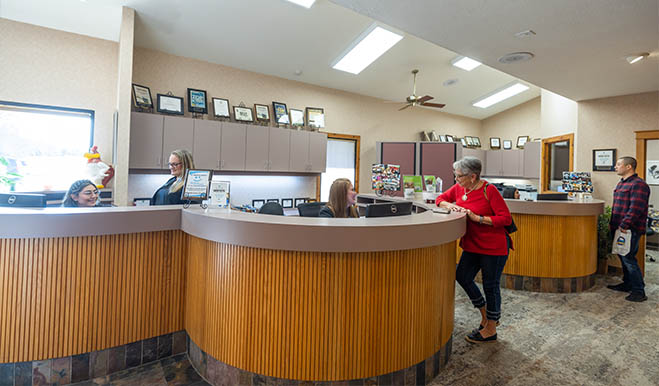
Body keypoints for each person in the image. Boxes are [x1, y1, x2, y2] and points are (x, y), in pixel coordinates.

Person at [436, 157, 512, 343]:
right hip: (472, 245)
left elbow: (505, 219)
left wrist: (477, 218)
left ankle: (491, 328)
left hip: (493, 247)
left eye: (459, 176)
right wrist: (451, 205)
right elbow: (440, 199)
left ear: (472, 176)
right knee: (462, 276)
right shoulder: (461, 188)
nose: (456, 180)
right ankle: (485, 314)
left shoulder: (489, 190)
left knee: (490, 285)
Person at [607, 156, 649, 302]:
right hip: (618, 227)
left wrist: (625, 225)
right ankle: (627, 284)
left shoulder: (639, 185)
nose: (616, 167)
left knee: (629, 258)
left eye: (618, 164)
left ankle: (639, 291)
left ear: (629, 167)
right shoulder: (622, 183)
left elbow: (635, 209)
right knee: (622, 256)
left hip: (629, 229)